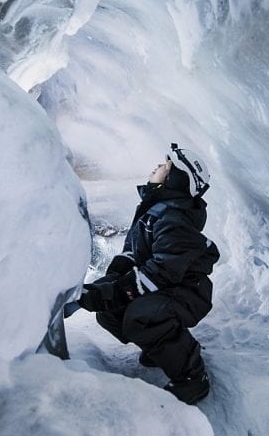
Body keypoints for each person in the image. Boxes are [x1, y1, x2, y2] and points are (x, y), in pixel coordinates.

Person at [77, 143, 220, 404]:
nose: (159, 166)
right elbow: (134, 253)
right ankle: (160, 349)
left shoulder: (174, 219)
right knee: (111, 314)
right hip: (168, 289)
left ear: (178, 180)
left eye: (167, 166)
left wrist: (114, 292)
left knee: (142, 317)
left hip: (187, 293)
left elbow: (161, 272)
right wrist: (107, 283)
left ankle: (192, 378)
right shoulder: (155, 211)